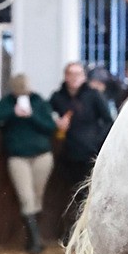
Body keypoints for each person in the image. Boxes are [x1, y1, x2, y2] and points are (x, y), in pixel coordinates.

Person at [0, 73, 56, 254]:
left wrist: (31, 116)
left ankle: (34, 238)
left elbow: (50, 127)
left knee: (37, 197)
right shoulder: (7, 103)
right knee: (26, 197)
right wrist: (12, 113)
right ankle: (34, 242)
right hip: (18, 157)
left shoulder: (39, 102)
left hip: (42, 156)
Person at [50, 61, 113, 238]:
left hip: (90, 153)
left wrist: (96, 140)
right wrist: (56, 122)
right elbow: (49, 115)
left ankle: (90, 233)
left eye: (78, 74)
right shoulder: (57, 97)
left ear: (83, 77)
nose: (74, 78)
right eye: (71, 74)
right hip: (68, 154)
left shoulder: (93, 95)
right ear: (65, 76)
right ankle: (72, 233)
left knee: (90, 194)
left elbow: (108, 120)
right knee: (71, 194)